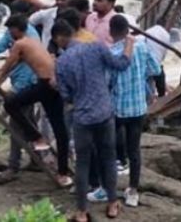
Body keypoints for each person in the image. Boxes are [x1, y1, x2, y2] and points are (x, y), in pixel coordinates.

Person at [0, 17, 72, 188]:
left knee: (10, 104)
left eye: (10, 32)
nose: (9, 36)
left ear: (15, 30)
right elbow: (8, 69)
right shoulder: (33, 40)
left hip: (44, 85)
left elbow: (3, 71)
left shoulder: (20, 44)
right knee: (60, 129)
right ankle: (63, 172)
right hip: (54, 85)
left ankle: (36, 137)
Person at [55, 20, 132, 221]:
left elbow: (65, 95)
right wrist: (129, 45)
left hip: (82, 117)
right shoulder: (96, 47)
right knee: (108, 158)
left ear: (60, 37)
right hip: (104, 113)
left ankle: (81, 212)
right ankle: (113, 204)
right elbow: (121, 65)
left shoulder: (61, 62)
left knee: (82, 162)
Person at [107, 15, 159, 207]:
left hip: (118, 108)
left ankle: (108, 188)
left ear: (111, 32)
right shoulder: (142, 47)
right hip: (138, 107)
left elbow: (107, 81)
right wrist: (139, 76)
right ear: (127, 30)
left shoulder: (112, 52)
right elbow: (155, 70)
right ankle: (133, 191)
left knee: (109, 147)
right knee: (134, 150)